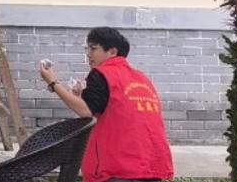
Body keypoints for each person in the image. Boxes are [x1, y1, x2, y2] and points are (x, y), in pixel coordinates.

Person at [39, 27, 174, 182]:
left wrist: (53, 83)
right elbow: (115, 110)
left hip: (119, 167)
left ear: (112, 52)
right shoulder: (142, 79)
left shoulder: (102, 73)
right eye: (87, 48)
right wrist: (80, 96)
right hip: (152, 166)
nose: (88, 54)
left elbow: (85, 111)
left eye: (93, 48)